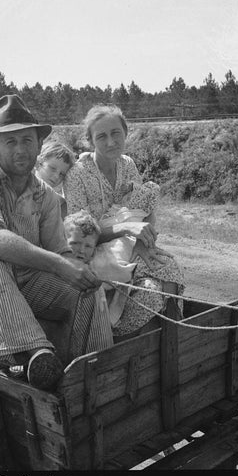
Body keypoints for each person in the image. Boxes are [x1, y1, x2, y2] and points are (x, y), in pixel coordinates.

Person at [0, 95, 113, 390]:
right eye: (11, 142)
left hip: (23, 286)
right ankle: (37, 354)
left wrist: (78, 269)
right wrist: (60, 263)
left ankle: (96, 370)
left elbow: (59, 251)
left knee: (87, 290)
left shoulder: (43, 194)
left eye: (27, 141)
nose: (21, 150)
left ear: (38, 145)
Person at [63, 105, 184, 336]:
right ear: (90, 141)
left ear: (125, 133)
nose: (110, 142)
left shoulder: (127, 164)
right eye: (102, 136)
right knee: (150, 292)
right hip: (93, 253)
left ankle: (172, 341)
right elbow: (79, 234)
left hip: (129, 247)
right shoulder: (77, 174)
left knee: (169, 268)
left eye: (115, 133)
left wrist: (142, 241)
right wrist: (126, 228)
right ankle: (123, 343)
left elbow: (145, 207)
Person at [34, 140, 75, 216]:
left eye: (62, 174)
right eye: (52, 168)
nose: (56, 176)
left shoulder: (59, 204)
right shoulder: (15, 193)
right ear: (38, 163)